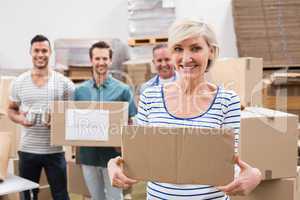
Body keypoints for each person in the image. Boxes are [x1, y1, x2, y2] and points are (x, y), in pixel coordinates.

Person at [107, 19, 262, 199]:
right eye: (179, 49)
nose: (186, 58)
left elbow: (230, 161)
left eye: (195, 48)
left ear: (211, 52)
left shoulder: (227, 101)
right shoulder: (150, 98)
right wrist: (113, 164)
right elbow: (137, 157)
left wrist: (255, 175)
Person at [7, 35, 74, 200]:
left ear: (50, 52)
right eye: (36, 50)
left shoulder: (64, 83)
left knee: (61, 195)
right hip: (28, 151)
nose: (40, 54)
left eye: (44, 50)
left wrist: (58, 121)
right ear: (30, 52)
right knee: (28, 196)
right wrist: (20, 120)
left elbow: (72, 114)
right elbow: (11, 110)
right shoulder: (19, 82)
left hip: (55, 151)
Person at [75, 41, 137, 200]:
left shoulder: (122, 90)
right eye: (97, 58)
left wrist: (125, 145)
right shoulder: (80, 91)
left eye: (104, 58)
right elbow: (74, 123)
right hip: (88, 156)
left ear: (110, 60)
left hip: (113, 156)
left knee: (115, 198)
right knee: (96, 198)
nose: (101, 62)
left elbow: (131, 122)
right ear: (91, 61)